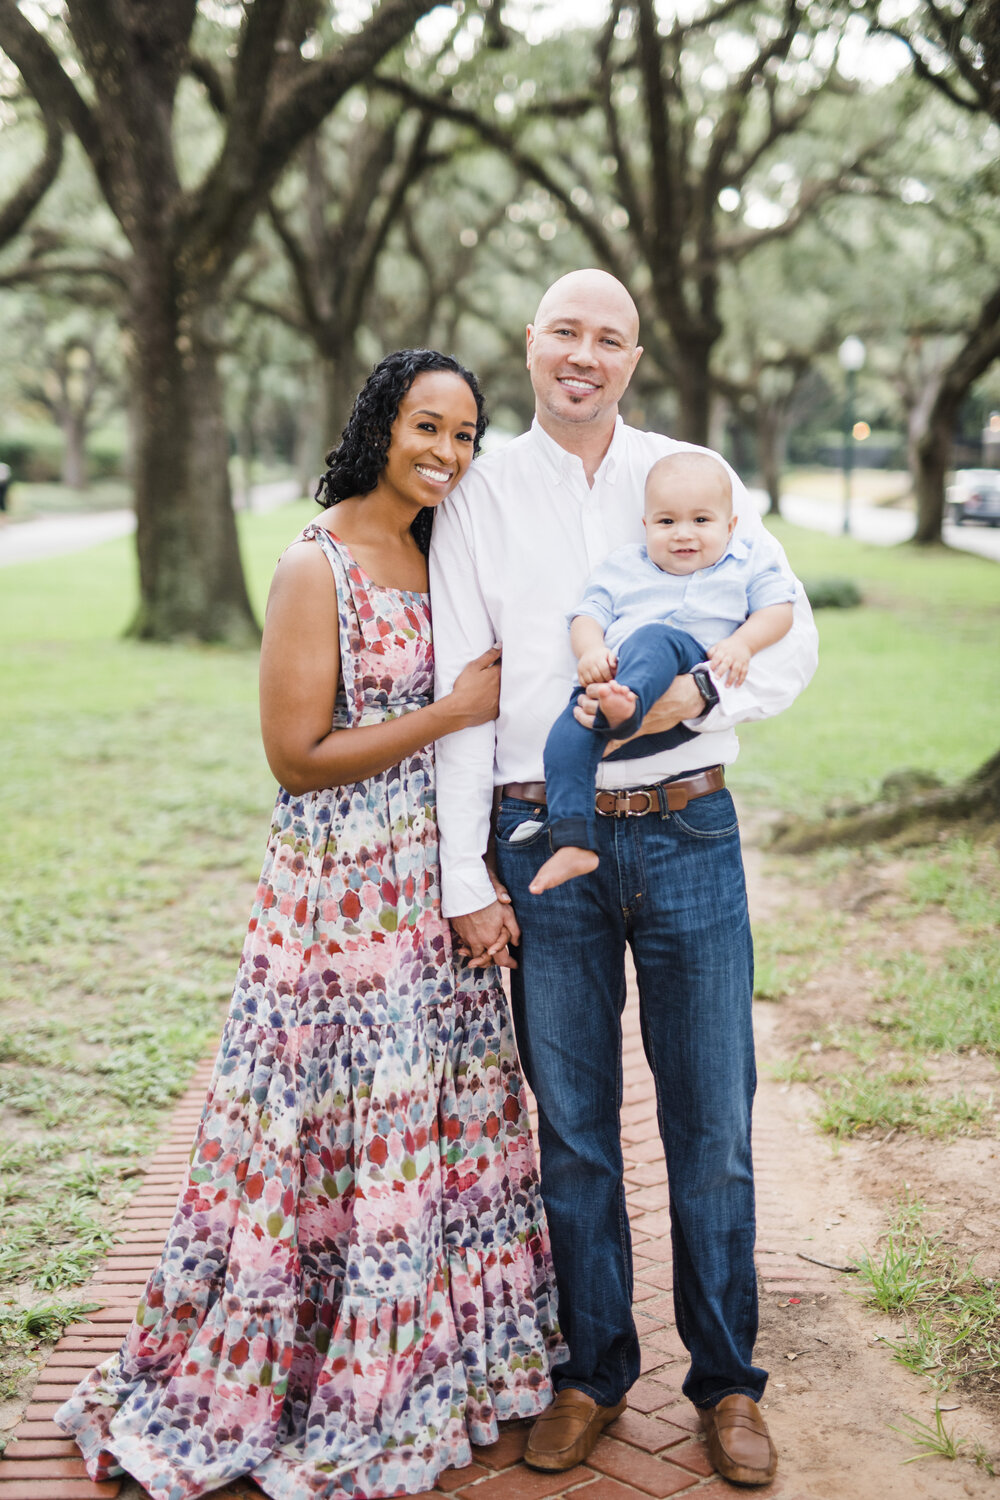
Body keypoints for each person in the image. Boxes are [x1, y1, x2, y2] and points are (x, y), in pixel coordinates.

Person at [56, 350, 562, 1500]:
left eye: (467, 434)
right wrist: (447, 710)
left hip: (433, 879)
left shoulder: (444, 548)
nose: (447, 451)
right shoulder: (312, 562)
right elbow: (295, 756)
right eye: (426, 426)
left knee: (429, 1114)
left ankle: (436, 1357)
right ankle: (299, 1364)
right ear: (381, 424)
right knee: (329, 1118)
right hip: (339, 892)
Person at [429, 272, 818, 1486]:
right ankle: (591, 1373)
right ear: (530, 347)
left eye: (607, 338)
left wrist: (713, 686)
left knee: (713, 1127)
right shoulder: (479, 490)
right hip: (540, 844)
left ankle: (728, 1385)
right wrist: (462, 877)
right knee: (576, 1133)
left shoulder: (683, 475)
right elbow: (458, 690)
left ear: (633, 357)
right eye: (562, 334)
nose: (582, 356)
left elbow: (790, 623)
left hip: (690, 831)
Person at [532, 450, 795, 892]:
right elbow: (586, 615)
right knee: (564, 737)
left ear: (730, 526)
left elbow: (780, 611)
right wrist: (591, 649)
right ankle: (573, 842)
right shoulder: (623, 567)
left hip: (683, 669)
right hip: (612, 686)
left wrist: (741, 642)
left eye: (701, 521)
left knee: (654, 638)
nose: (683, 534)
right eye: (667, 522)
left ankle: (626, 708)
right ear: (646, 526)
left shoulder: (746, 562)